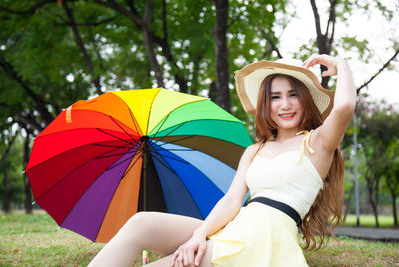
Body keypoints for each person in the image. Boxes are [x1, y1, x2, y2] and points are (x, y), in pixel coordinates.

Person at [88, 54, 356, 267]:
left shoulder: (318, 143)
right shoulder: (255, 150)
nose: (284, 104)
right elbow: (231, 201)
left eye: (293, 94)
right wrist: (199, 235)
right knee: (140, 222)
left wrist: (341, 65)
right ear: (266, 103)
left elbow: (344, 107)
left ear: (305, 99)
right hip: (237, 225)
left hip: (263, 238)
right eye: (275, 97)